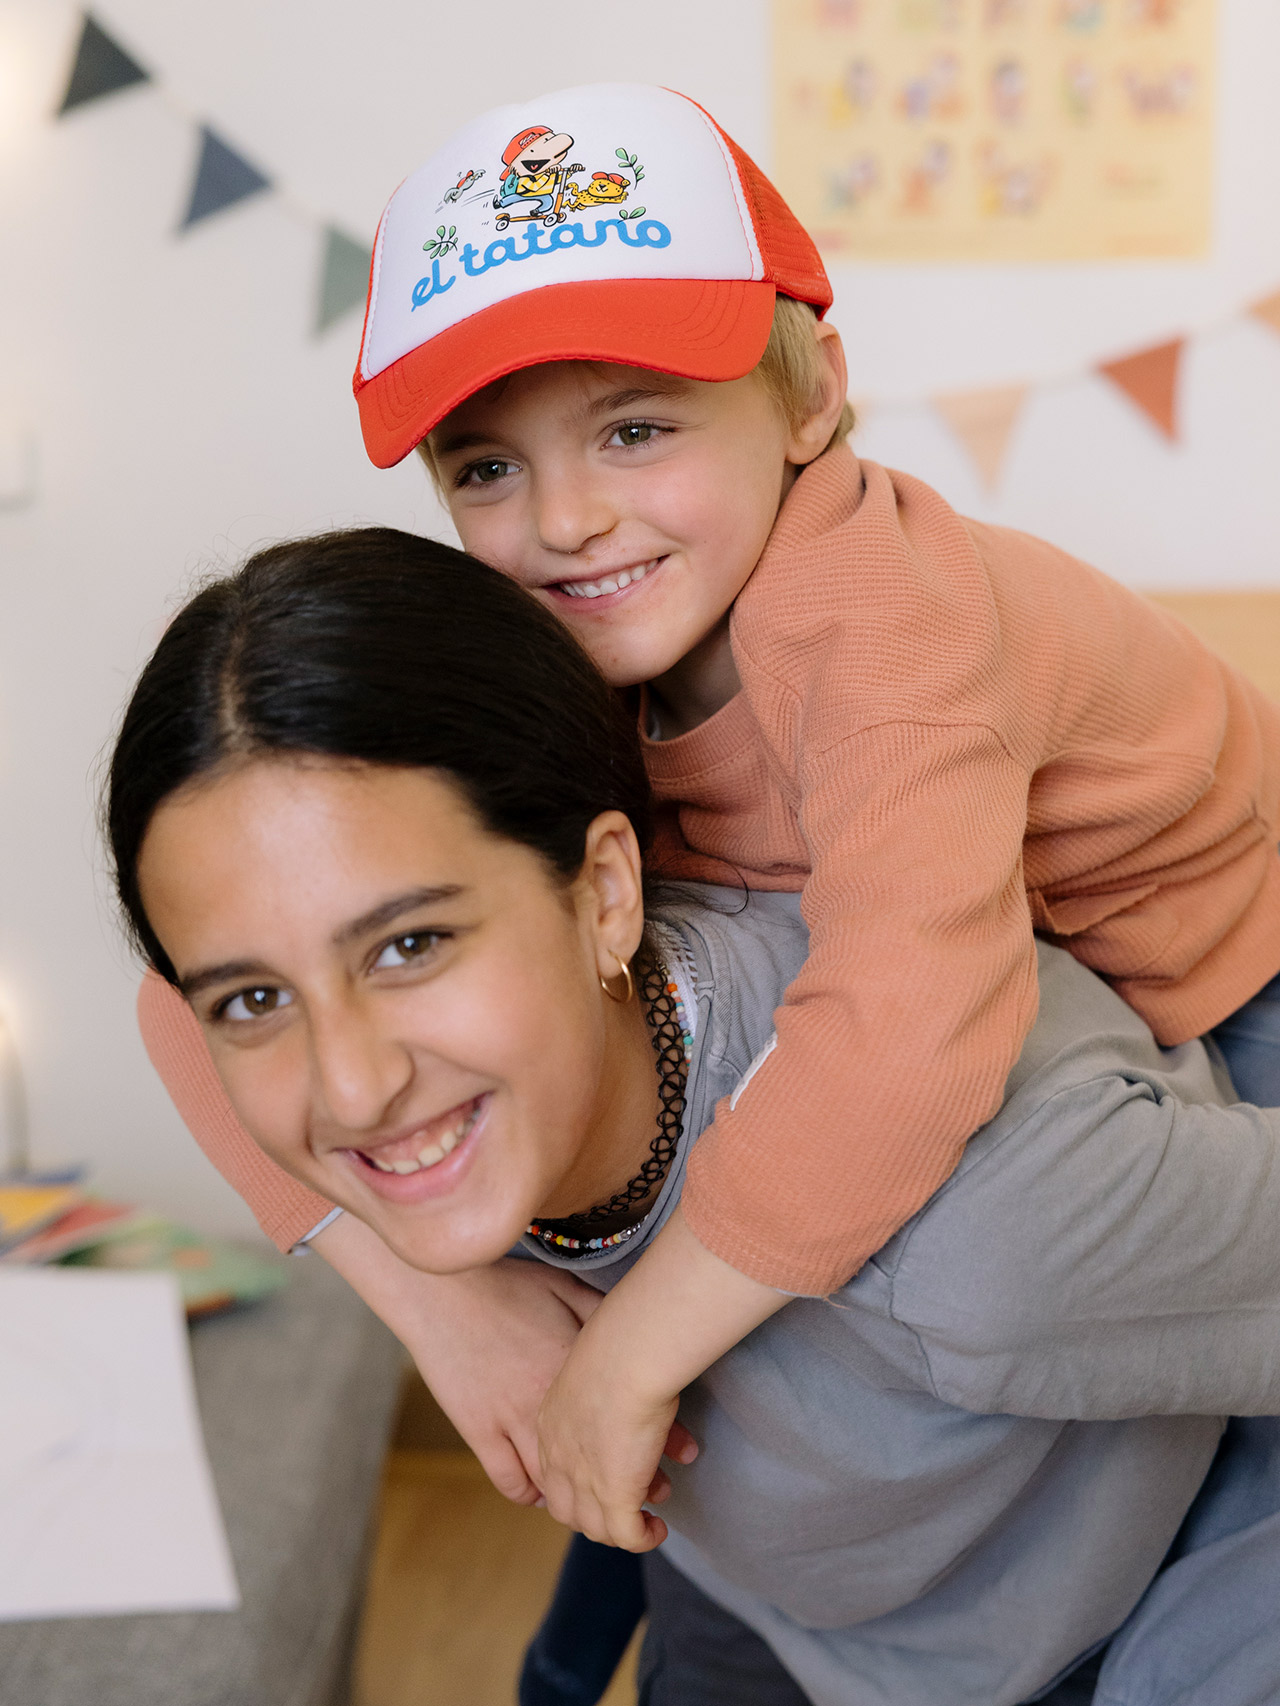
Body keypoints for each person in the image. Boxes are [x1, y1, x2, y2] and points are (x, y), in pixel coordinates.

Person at [139, 82, 1280, 1552]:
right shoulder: (566, 642)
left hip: (1238, 960)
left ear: (809, 398)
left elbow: (902, 1039)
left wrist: (628, 1353)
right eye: (487, 466)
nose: (563, 521)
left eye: (634, 428)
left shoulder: (880, 621)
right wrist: (439, 1294)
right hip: (1076, 1003)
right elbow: (199, 985)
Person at [110, 528, 1280, 1706]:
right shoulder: (498, 1097)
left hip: (1124, 1613)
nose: (353, 1089)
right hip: (798, 1610)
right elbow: (172, 999)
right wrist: (440, 1304)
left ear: (607, 894)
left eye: (411, 945)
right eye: (257, 996)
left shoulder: (993, 1224)